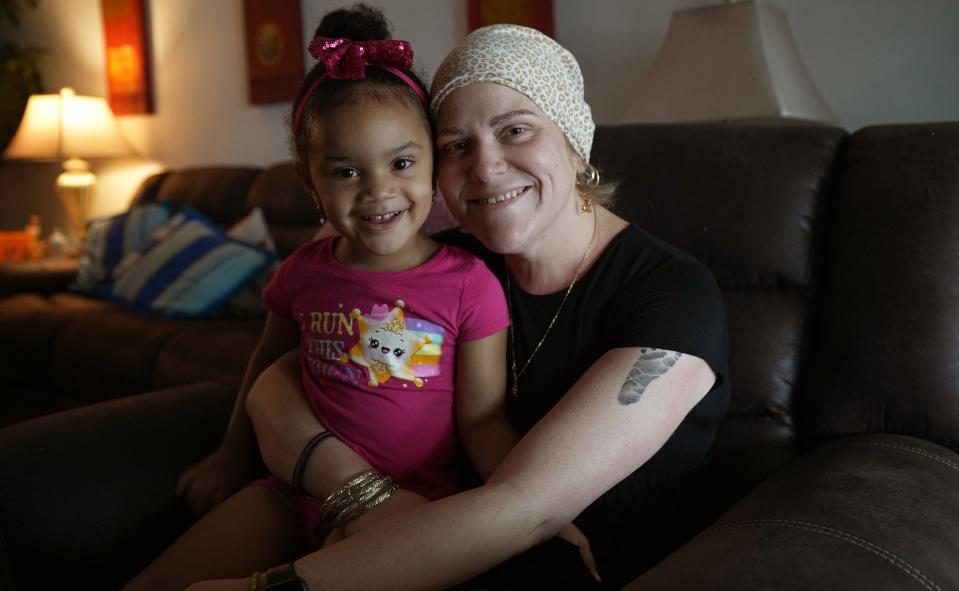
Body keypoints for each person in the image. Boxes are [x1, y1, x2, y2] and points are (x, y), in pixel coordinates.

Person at [188, 22, 730, 591]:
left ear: (574, 143)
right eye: (455, 146)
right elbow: (282, 372)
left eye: (515, 130)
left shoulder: (675, 295)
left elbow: (530, 506)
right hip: (413, 528)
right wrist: (361, 493)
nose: (485, 167)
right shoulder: (451, 266)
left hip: (581, 563)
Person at [124, 8, 594, 591]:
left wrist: (542, 514)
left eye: (401, 163)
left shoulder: (470, 283)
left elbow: (482, 420)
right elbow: (268, 363)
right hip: (289, 491)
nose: (378, 190)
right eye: (346, 171)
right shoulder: (300, 274)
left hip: (407, 508)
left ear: (433, 168)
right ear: (309, 183)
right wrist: (230, 453)